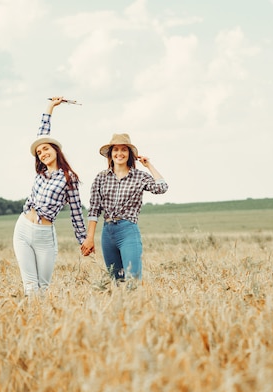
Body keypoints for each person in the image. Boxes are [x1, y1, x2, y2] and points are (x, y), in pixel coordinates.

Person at [13, 97, 87, 295]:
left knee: (42, 287)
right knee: (29, 285)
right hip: (23, 228)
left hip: (44, 236)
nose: (42, 153)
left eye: (46, 148)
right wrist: (50, 107)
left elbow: (76, 212)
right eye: (39, 152)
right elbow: (41, 134)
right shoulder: (41, 172)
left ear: (55, 149)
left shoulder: (68, 178)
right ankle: (30, 324)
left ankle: (42, 322)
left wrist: (84, 240)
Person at [81, 133, 168, 282]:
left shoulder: (139, 177)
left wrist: (149, 166)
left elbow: (162, 187)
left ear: (129, 154)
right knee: (117, 280)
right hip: (107, 232)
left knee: (132, 279)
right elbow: (94, 209)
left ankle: (135, 304)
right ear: (110, 154)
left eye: (124, 150)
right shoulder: (101, 177)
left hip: (128, 230)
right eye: (116, 150)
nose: (119, 153)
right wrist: (89, 238)